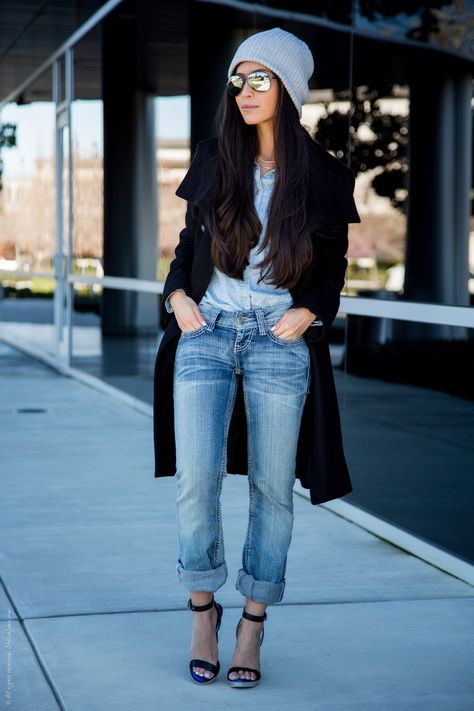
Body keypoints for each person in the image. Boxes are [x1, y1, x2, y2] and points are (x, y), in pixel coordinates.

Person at [153, 26, 361, 688]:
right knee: (197, 478)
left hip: (278, 339)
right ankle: (200, 611)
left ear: (289, 89)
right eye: (238, 79)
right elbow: (189, 244)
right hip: (207, 331)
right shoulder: (216, 157)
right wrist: (177, 294)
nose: (245, 91)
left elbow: (331, 267)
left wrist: (312, 309)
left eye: (260, 78)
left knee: (274, 488)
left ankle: (252, 623)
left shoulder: (324, 177)